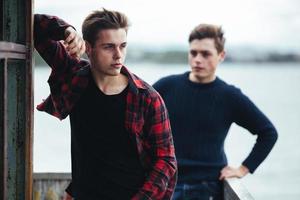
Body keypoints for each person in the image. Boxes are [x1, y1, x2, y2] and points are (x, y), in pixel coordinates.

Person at [34, 8, 177, 200]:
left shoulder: (147, 98)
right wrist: (66, 31)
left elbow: (166, 161)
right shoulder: (75, 78)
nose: (118, 55)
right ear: (89, 48)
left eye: (123, 46)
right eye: (109, 47)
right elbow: (35, 27)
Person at [153, 24, 278, 200]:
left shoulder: (229, 96)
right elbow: (137, 124)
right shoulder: (166, 87)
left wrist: (243, 169)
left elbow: (268, 133)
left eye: (205, 54)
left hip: (207, 188)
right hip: (165, 185)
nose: (197, 59)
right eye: (193, 53)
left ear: (221, 56)